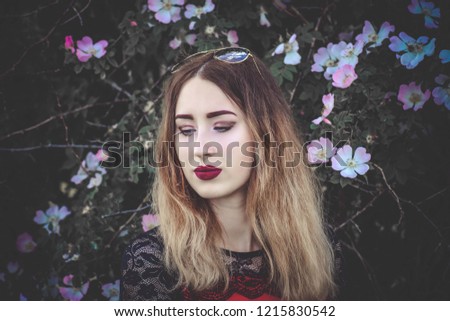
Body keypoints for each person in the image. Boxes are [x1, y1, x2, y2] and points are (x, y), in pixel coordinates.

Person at [120, 47, 340, 300]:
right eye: (186, 130)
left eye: (222, 127)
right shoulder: (151, 262)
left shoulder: (320, 250)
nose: (200, 149)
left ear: (265, 135)